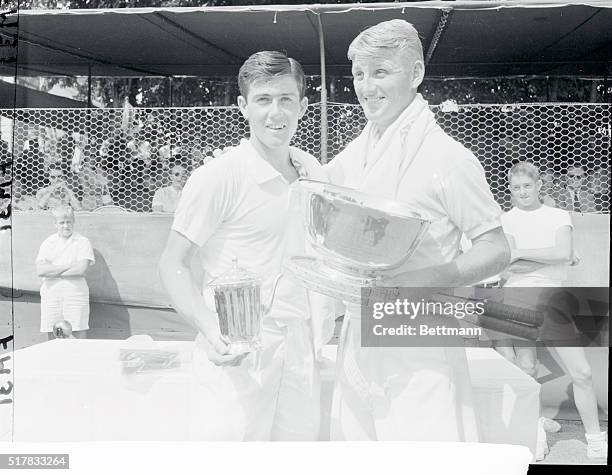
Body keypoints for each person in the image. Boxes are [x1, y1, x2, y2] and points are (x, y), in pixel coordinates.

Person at [324, 20, 510, 441]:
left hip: (420, 337)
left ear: (416, 75)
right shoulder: (356, 153)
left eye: (380, 72)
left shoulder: (449, 158)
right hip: (360, 331)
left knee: (423, 458)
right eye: (358, 74)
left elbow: (496, 248)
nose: (366, 87)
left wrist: (427, 279)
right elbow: (317, 193)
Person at [158, 51, 331, 441]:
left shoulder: (314, 171)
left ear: (303, 107)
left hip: (301, 346)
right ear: (243, 106)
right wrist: (210, 329)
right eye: (263, 100)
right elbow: (172, 264)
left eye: (287, 99)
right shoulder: (219, 176)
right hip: (239, 350)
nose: (276, 112)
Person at [500, 161, 607, 460]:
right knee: (527, 369)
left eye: (527, 186)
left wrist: (523, 252)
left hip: (553, 298)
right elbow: (510, 263)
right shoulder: (505, 220)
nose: (522, 192)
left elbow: (562, 252)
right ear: (510, 189)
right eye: (516, 187)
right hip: (517, 297)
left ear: (538, 186)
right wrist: (554, 257)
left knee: (583, 373)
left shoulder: (559, 215)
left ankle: (595, 439)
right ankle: (535, 434)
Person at [35, 206, 95, 338]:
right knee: (53, 334)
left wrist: (52, 270)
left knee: (78, 332)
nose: (66, 226)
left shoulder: (82, 242)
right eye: (62, 222)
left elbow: (81, 270)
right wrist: (69, 265)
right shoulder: (48, 242)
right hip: (51, 294)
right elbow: (41, 271)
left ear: (74, 222)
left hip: (75, 294)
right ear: (55, 224)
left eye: (69, 222)